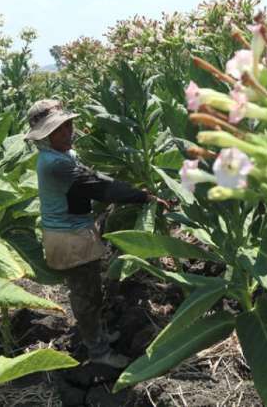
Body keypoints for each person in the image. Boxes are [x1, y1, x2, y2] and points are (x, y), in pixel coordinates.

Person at [24, 99, 168, 368]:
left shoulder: (63, 155)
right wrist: (142, 196)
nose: (67, 133)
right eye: (59, 130)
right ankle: (99, 352)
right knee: (85, 296)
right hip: (68, 240)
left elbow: (91, 175)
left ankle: (99, 334)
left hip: (78, 232)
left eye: (68, 125)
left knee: (92, 288)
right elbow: (99, 187)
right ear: (45, 137)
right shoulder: (54, 163)